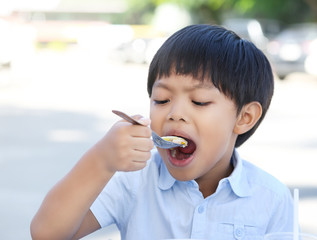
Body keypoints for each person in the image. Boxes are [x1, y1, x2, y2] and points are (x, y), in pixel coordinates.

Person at [31, 24, 294, 240]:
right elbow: (47, 233)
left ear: (244, 117)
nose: (174, 113)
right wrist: (101, 161)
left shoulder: (271, 198)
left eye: (199, 101)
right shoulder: (134, 181)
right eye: (161, 99)